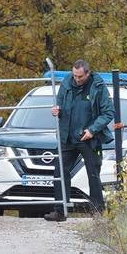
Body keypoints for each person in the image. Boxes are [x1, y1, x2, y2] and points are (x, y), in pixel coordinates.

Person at [44, 60, 114, 221]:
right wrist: (56, 110)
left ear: (88, 73)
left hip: (88, 137)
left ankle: (98, 212)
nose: (77, 79)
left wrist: (92, 130)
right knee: (59, 171)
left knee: (93, 174)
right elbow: (59, 105)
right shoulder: (66, 83)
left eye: (80, 76)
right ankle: (60, 210)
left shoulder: (98, 86)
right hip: (67, 136)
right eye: (75, 75)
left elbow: (108, 112)